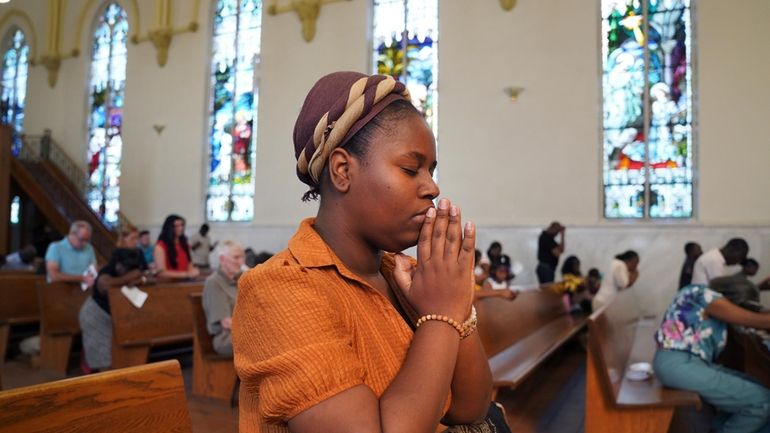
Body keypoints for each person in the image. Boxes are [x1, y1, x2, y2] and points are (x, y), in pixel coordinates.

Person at [232, 72, 495, 433]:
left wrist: (457, 310)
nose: (432, 186)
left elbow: (471, 407)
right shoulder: (277, 290)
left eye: (431, 171)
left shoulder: (401, 276)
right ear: (342, 170)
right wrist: (439, 316)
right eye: (410, 168)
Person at [653, 285, 770, 433]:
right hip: (679, 364)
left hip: (685, 363)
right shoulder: (706, 295)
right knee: (761, 401)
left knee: (753, 386)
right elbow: (756, 320)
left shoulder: (701, 299)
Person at [78, 247, 148, 372]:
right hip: (95, 315)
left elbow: (140, 278)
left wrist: (138, 279)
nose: (126, 271)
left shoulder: (129, 269)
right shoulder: (107, 270)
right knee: (102, 358)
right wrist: (128, 278)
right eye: (125, 267)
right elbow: (104, 285)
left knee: (112, 356)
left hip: (112, 316)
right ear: (118, 264)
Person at [202, 241, 246, 356]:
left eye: (242, 257)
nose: (241, 262)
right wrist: (256, 329)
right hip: (226, 338)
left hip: (245, 333)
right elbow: (226, 323)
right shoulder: (214, 282)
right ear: (222, 259)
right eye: (236, 257)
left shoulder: (242, 278)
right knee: (266, 341)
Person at [45, 220, 97, 287]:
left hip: (82, 291)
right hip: (59, 290)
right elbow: (54, 276)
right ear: (71, 234)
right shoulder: (55, 248)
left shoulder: (89, 248)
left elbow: (93, 270)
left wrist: (90, 278)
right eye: (82, 239)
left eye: (87, 240)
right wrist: (81, 278)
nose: (85, 243)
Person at [153, 215, 200, 280]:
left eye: (182, 225)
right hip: (168, 286)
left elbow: (189, 265)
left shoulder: (184, 244)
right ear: (169, 228)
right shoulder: (160, 246)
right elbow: (161, 273)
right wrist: (187, 274)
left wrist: (193, 271)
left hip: (185, 283)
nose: (180, 228)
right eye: (176, 226)